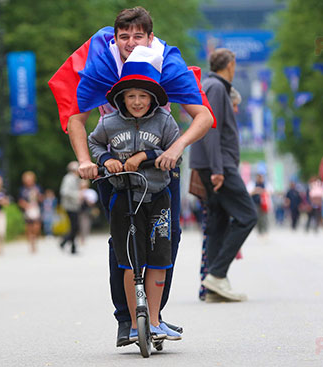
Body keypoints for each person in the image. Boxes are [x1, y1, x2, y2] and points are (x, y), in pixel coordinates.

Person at [49, 6, 214, 346]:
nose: (130, 42)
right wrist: (85, 160)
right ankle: (126, 320)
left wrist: (176, 148)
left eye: (138, 36)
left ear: (149, 38)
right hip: (116, 168)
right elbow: (77, 119)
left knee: (169, 238)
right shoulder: (103, 61)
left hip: (160, 164)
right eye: (124, 36)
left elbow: (203, 117)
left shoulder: (166, 61)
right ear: (115, 37)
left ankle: (154, 317)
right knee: (122, 240)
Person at [88, 45, 183, 341]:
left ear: (153, 97)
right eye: (131, 96)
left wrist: (145, 155)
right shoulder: (108, 123)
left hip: (158, 197)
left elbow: (174, 151)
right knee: (130, 260)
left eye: (143, 96)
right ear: (121, 98)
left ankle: (154, 321)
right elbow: (94, 145)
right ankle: (132, 322)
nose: (138, 101)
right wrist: (106, 160)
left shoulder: (165, 122)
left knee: (159, 259)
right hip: (124, 198)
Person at [190, 48, 257, 302]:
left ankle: (212, 286)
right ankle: (217, 275)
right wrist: (218, 169)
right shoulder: (217, 87)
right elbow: (211, 129)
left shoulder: (208, 85)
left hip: (210, 164)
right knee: (247, 215)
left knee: (218, 220)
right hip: (219, 165)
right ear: (230, 64)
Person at [59, 161, 82, 254]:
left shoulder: (75, 179)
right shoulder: (69, 178)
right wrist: (77, 195)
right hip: (70, 206)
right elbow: (64, 191)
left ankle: (68, 243)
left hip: (74, 206)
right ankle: (70, 245)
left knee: (74, 226)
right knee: (74, 226)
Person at [18, 171, 43, 253]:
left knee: (37, 226)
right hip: (27, 210)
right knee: (29, 227)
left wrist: (39, 197)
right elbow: (20, 201)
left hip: (36, 209)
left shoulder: (37, 188)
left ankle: (34, 238)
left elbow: (41, 198)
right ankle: (31, 243)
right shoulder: (22, 189)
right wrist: (26, 205)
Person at [78, 179, 98, 246]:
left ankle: (83, 238)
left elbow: (92, 202)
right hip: (78, 211)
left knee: (85, 225)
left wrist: (86, 198)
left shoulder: (90, 192)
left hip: (86, 211)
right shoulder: (77, 192)